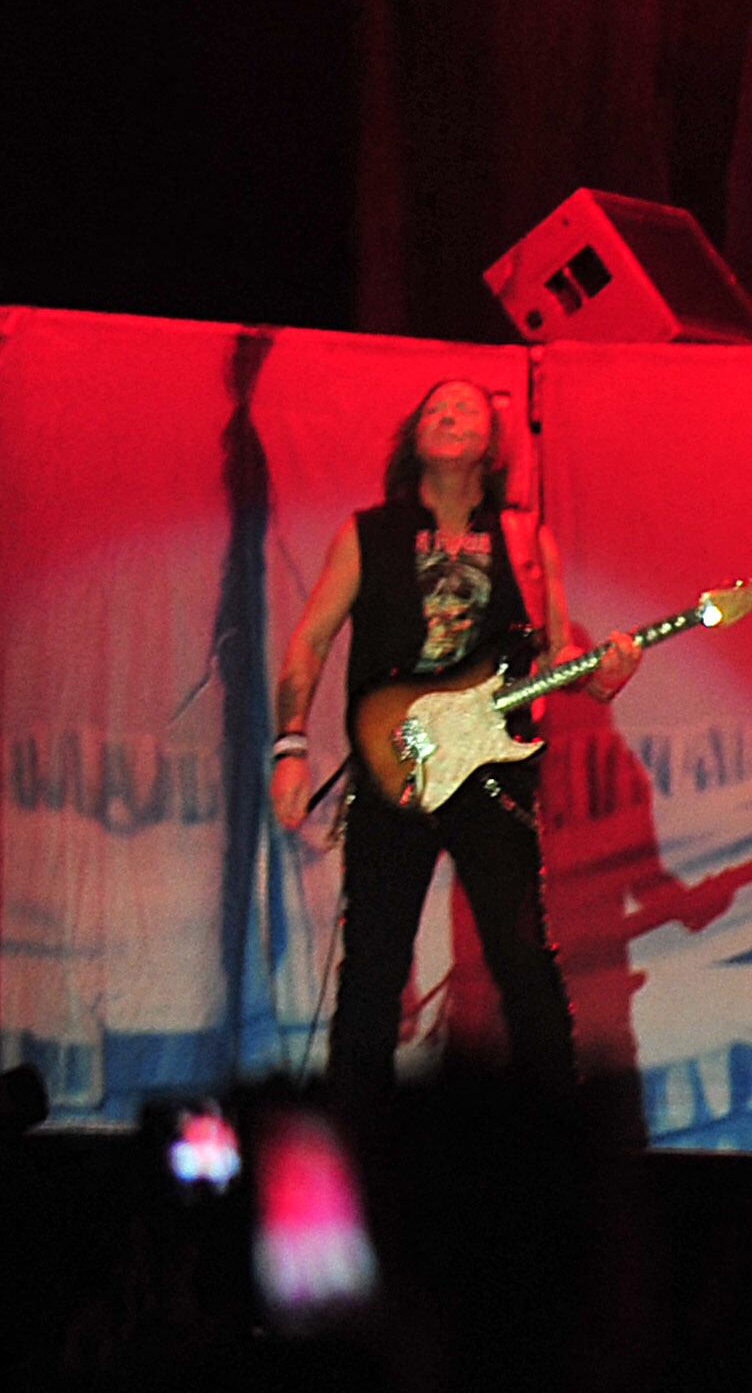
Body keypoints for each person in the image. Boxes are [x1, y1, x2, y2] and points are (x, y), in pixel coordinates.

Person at [268, 376, 637, 1094]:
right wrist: (291, 746)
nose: (448, 414)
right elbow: (309, 641)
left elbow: (556, 655)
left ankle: (554, 1130)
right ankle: (357, 1133)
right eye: (434, 407)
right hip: (394, 764)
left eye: (465, 407)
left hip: (490, 770)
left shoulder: (526, 537)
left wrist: (601, 675)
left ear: (491, 444)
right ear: (414, 437)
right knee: (373, 966)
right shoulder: (367, 533)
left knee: (522, 957)